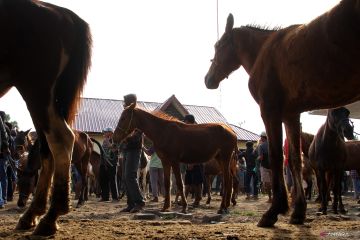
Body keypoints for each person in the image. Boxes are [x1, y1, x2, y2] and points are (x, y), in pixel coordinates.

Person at [120, 94, 145, 213]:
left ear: (130, 102)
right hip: (127, 149)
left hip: (135, 149)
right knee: (125, 177)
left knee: (130, 176)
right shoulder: (128, 115)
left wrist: (126, 138)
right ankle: (130, 204)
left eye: (125, 102)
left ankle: (139, 202)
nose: (123, 104)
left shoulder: (138, 116)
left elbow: (138, 134)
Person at [183, 114, 204, 207]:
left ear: (189, 121)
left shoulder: (196, 131)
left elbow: (198, 149)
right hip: (189, 161)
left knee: (197, 182)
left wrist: (193, 162)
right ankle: (184, 199)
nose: (184, 123)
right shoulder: (188, 132)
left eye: (185, 121)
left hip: (197, 161)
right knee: (187, 182)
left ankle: (197, 200)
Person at [99, 127, 119, 202]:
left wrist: (107, 142)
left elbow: (115, 150)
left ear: (111, 133)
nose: (104, 133)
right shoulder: (104, 141)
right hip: (103, 163)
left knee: (112, 180)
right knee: (103, 180)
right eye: (104, 132)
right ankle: (105, 197)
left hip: (112, 163)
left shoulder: (115, 140)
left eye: (106, 132)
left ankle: (115, 198)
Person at [258, 131, 272, 203]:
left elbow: (261, 157)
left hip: (265, 166)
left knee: (267, 183)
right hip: (273, 166)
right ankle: (275, 197)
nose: (260, 138)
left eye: (261, 137)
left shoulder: (261, 146)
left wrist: (257, 159)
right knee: (273, 182)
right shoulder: (272, 145)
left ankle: (270, 198)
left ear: (263, 138)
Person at [0, 111, 10, 205]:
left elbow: (6, 139)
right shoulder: (5, 127)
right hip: (4, 155)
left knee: (3, 177)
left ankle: (3, 198)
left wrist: (6, 148)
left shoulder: (5, 128)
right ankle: (4, 198)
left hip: (3, 155)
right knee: (3, 177)